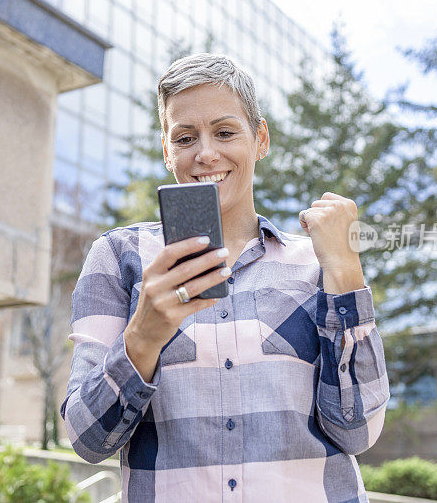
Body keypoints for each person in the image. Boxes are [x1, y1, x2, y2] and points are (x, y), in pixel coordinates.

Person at [61, 53, 389, 502]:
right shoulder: (120, 258)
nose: (206, 153)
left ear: (260, 139)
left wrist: (347, 274)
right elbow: (85, 438)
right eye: (185, 137)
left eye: (225, 132)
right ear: (166, 150)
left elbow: (358, 430)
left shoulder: (317, 263)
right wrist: (143, 338)